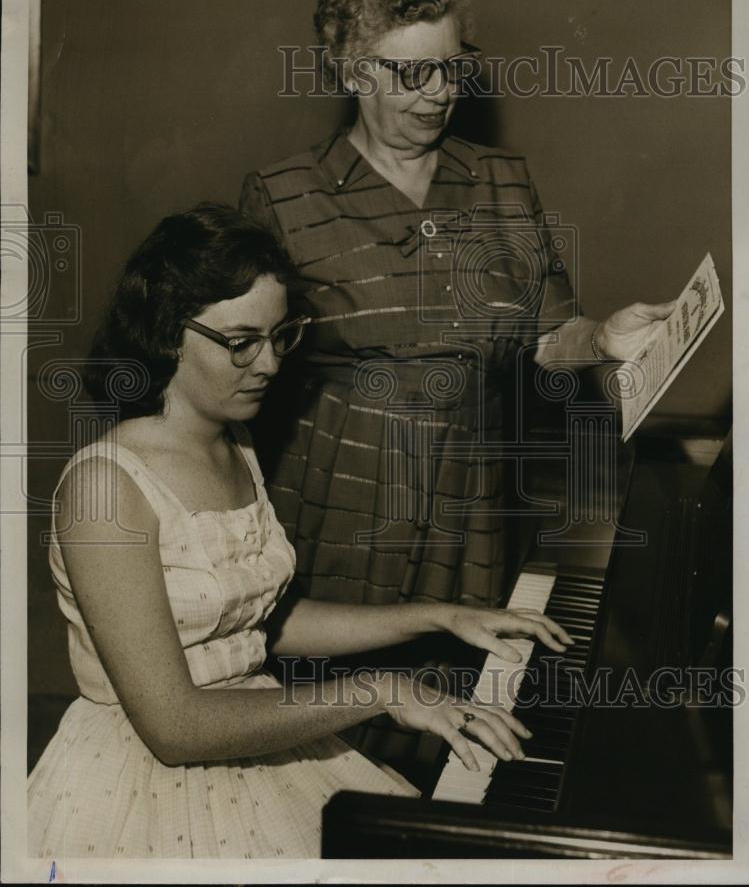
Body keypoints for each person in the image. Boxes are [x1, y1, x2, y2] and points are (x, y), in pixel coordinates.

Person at [27, 203, 572, 859]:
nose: (268, 365)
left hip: (253, 728)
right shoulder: (104, 488)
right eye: (240, 343)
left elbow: (258, 623)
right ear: (169, 332)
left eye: (280, 336)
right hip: (144, 777)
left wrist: (441, 616)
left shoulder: (236, 443)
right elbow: (174, 727)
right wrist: (380, 689)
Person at [239, 0, 673, 765]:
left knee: (449, 732)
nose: (439, 92)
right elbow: (246, 368)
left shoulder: (500, 180)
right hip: (338, 508)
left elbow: (550, 332)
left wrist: (601, 339)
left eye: (451, 68)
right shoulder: (283, 194)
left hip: (471, 508)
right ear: (351, 70)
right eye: (412, 74)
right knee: (322, 738)